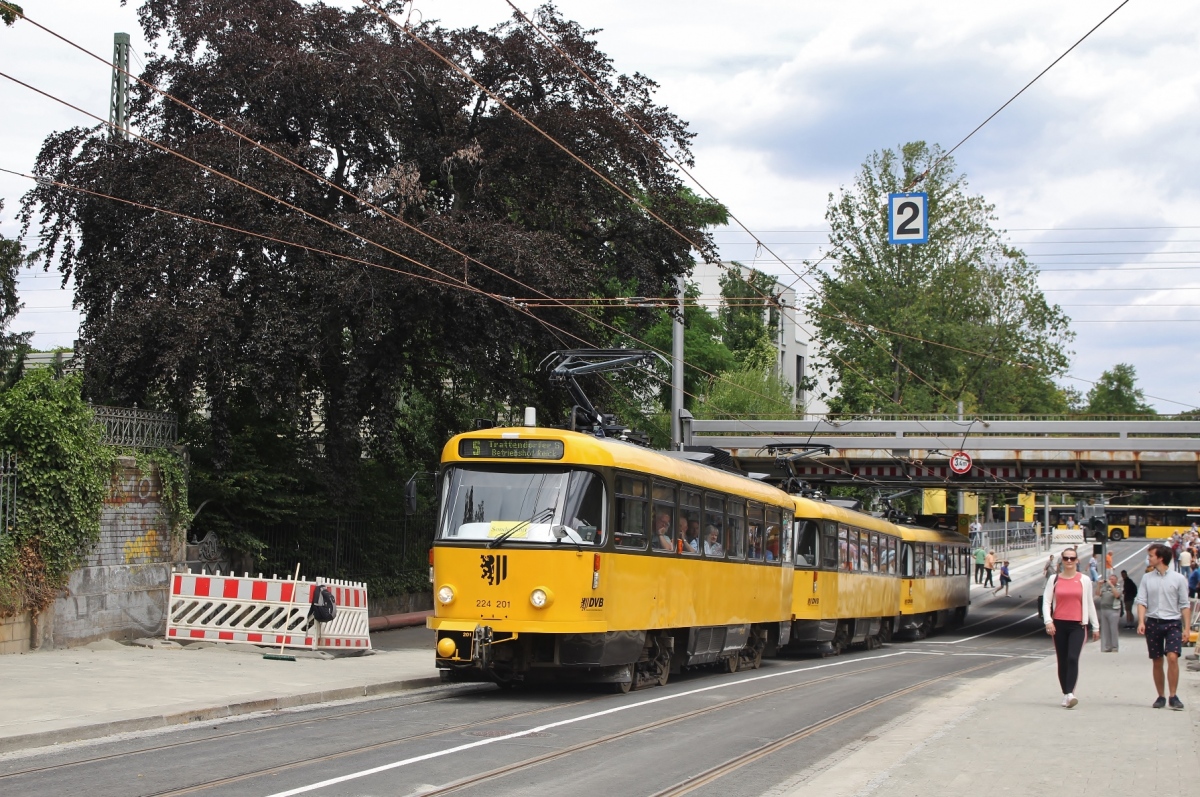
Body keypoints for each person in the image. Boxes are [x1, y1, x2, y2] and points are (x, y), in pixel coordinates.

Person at [1135, 544, 1192, 710]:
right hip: (1153, 621)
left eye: (1151, 555)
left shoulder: (1179, 579)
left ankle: (1173, 695)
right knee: (1157, 659)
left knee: (1173, 657)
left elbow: (1185, 605)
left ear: (1160, 558)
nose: (1149, 558)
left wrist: (1186, 629)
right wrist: (1141, 621)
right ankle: (1160, 696)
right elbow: (1142, 601)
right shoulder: (1147, 578)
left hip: (1173, 622)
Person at [1042, 547, 1100, 709]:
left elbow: (1089, 603)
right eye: (1066, 558)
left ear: (1077, 560)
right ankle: (1066, 693)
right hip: (1059, 624)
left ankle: (1070, 694)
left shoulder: (1084, 580)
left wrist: (1095, 626)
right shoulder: (1054, 579)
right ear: (1062, 560)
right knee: (1062, 659)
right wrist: (1048, 621)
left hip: (1078, 625)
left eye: (1072, 558)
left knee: (1073, 658)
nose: (1069, 561)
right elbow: (1046, 602)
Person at [1096, 573, 1123, 652]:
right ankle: (1108, 646)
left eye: (1112, 579)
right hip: (1104, 610)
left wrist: (1111, 585)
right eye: (1109, 579)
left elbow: (1117, 595)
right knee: (1105, 630)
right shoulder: (1105, 588)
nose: (1110, 581)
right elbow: (1098, 594)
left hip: (1113, 610)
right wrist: (1099, 585)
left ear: (1116, 580)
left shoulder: (1118, 587)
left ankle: (1115, 646)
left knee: (1113, 629)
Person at [1038, 554, 1057, 618]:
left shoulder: (1052, 562)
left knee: (1050, 579)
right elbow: (1046, 567)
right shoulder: (1048, 562)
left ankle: (1047, 586)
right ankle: (1045, 586)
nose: (1052, 558)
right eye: (1052, 557)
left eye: (1053, 557)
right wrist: (1044, 571)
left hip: (1052, 571)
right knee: (1048, 579)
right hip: (1049, 572)